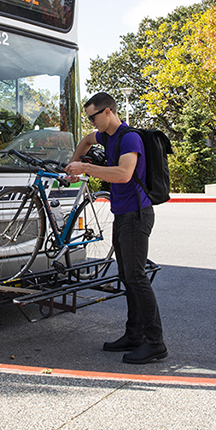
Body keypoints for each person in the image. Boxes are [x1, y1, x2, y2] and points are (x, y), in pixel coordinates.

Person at [65, 92, 166, 365]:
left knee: (136, 277)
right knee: (127, 276)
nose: (91, 122)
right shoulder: (106, 137)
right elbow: (86, 140)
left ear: (108, 112)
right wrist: (73, 166)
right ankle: (133, 335)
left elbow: (124, 174)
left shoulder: (128, 138)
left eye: (93, 116)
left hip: (137, 215)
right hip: (122, 214)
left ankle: (156, 342)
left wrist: (85, 168)